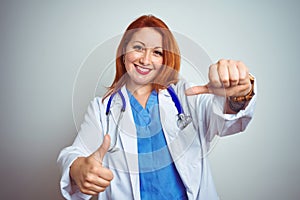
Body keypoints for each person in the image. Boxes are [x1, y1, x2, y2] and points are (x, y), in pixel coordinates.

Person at [57, 15, 257, 200]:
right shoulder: (102, 110)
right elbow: (74, 153)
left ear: (165, 60)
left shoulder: (185, 97)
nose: (145, 59)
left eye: (157, 52)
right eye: (138, 48)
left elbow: (226, 120)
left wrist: (239, 94)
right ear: (124, 52)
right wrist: (78, 169)